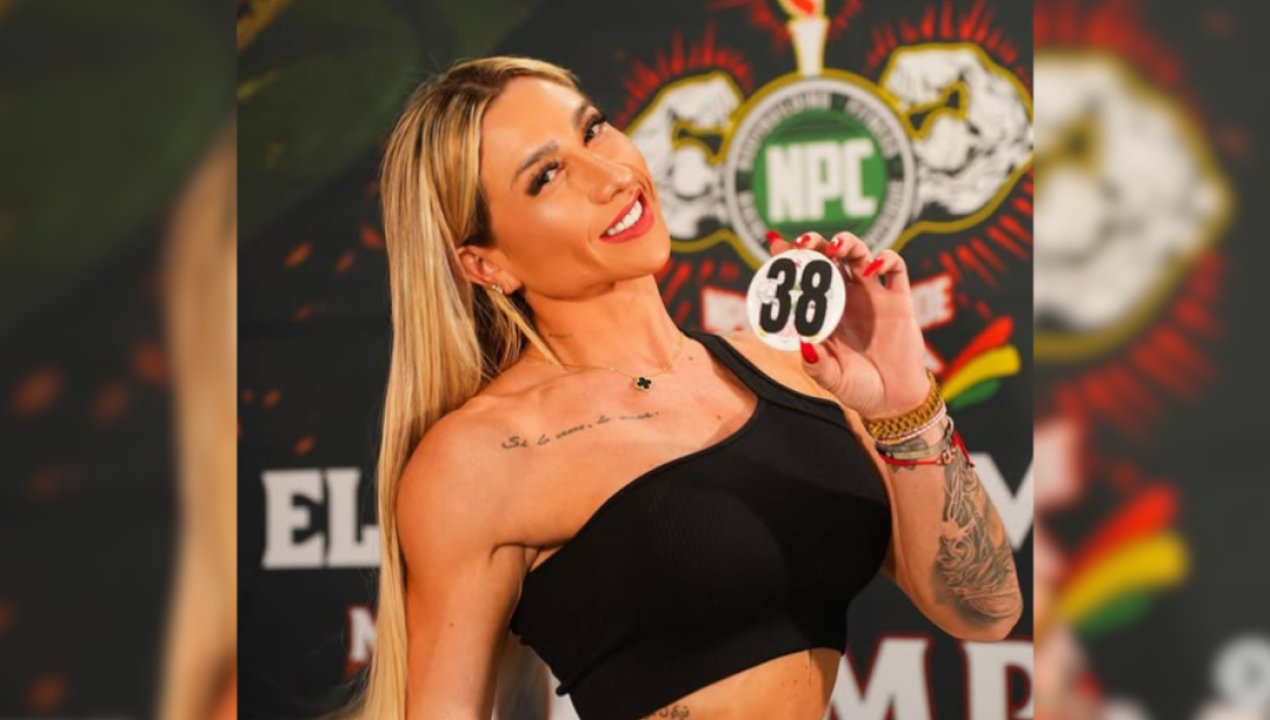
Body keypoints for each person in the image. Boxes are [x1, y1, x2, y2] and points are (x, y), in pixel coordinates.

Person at [346, 56, 1023, 720]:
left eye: (593, 130)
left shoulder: (794, 368)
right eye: (547, 175)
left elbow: (983, 608)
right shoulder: (480, 457)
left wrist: (904, 400)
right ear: (484, 263)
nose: (613, 174)